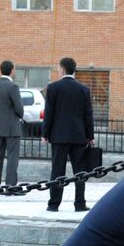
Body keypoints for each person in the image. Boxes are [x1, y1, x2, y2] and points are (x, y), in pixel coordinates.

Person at [42, 56, 95, 212]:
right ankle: (79, 204)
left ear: (62, 69)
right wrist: (90, 135)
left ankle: (54, 204)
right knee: (80, 171)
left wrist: (45, 133)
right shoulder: (84, 89)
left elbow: (49, 113)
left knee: (57, 171)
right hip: (79, 137)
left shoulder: (53, 88)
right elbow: (88, 115)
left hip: (58, 137)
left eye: (59, 68)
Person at [0, 59, 25, 188]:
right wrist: (20, 115)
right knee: (12, 157)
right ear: (12, 70)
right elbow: (19, 108)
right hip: (12, 127)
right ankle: (10, 184)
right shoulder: (13, 86)